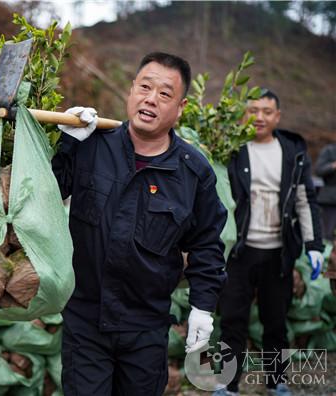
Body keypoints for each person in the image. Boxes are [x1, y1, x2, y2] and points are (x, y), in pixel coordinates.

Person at [51, 52, 227, 396]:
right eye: (145, 87)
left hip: (145, 328)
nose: (151, 98)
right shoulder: (92, 146)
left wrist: (203, 309)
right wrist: (66, 143)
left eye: (165, 94)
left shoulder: (193, 173)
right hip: (86, 321)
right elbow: (46, 195)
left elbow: (207, 245)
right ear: (131, 91)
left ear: (180, 107)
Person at [214, 90, 325, 396]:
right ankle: (227, 383)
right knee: (232, 321)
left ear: (277, 116)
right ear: (244, 115)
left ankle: (277, 382)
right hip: (239, 252)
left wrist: (314, 246)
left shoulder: (291, 152)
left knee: (275, 322)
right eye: (252, 110)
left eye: (266, 111)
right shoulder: (232, 149)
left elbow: (305, 201)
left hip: (278, 253)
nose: (259, 117)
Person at [316, 143, 336, 239]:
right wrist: (333, 166)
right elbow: (319, 170)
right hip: (330, 200)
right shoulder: (329, 150)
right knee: (327, 236)